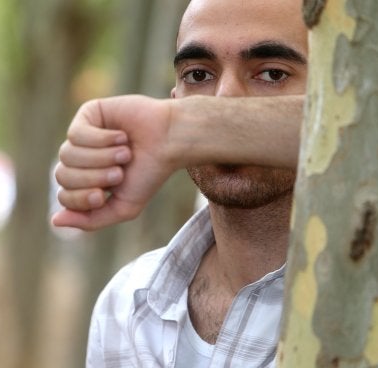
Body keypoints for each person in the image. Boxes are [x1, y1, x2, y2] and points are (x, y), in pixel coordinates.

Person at [53, 0, 308, 366]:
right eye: (199, 75)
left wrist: (185, 130)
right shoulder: (126, 304)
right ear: (174, 100)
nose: (222, 102)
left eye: (272, 74)